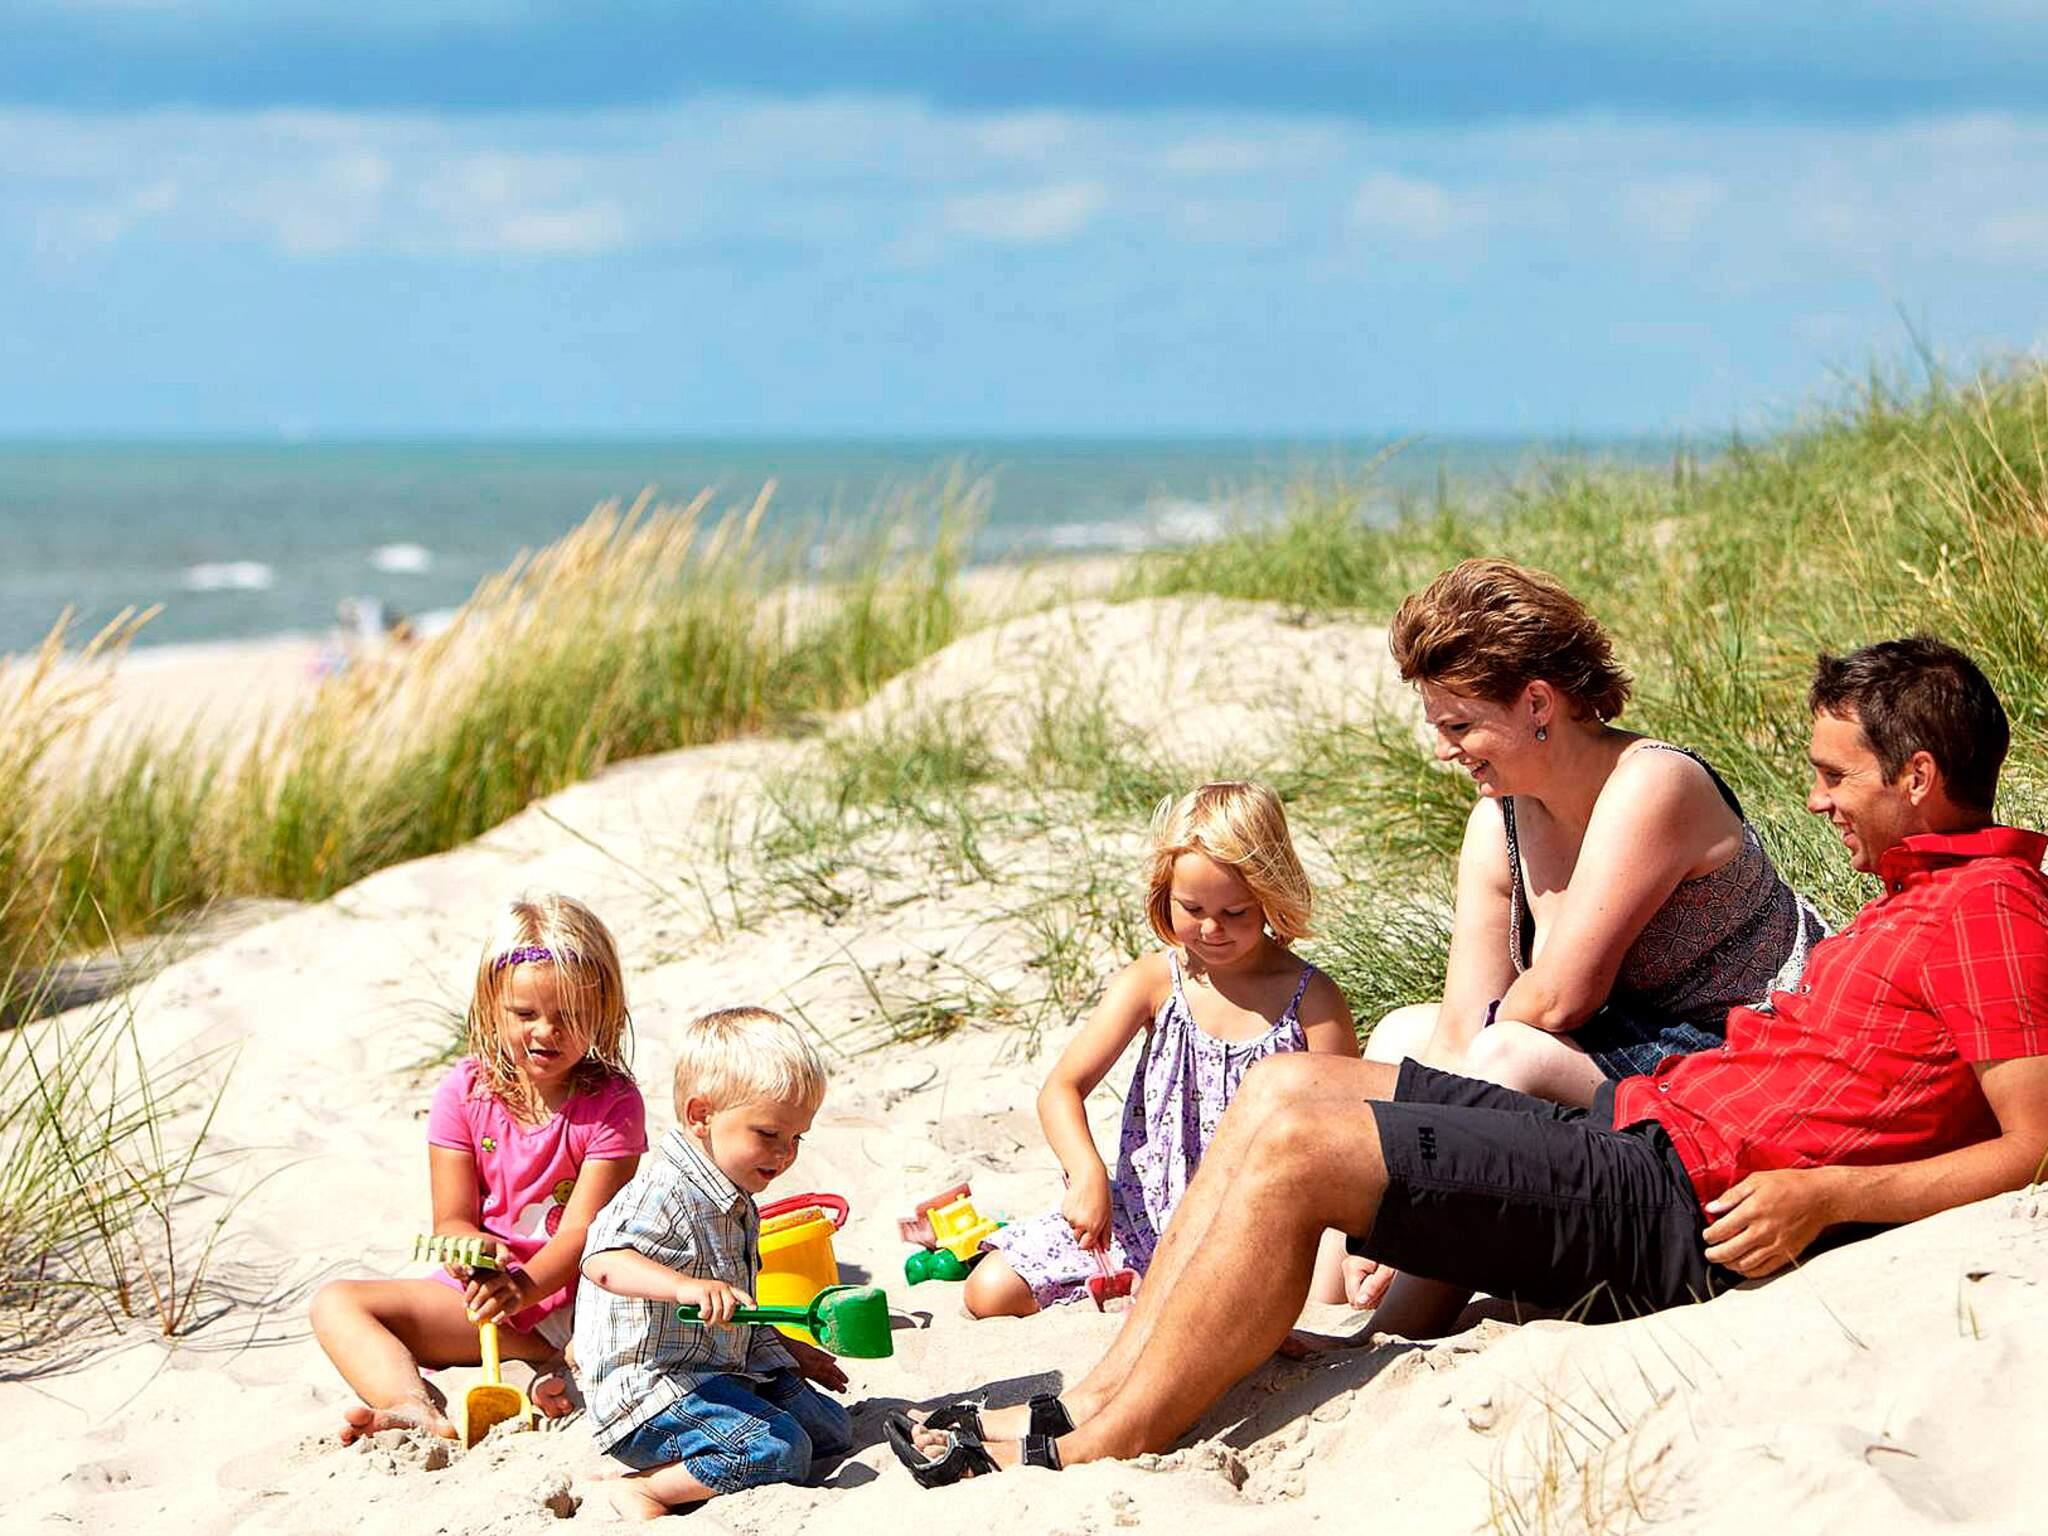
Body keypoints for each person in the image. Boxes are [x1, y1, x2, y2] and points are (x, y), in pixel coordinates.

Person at [888, 636, 2048, 1483]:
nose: (1813, 799)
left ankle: (1102, 1440)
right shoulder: (1915, 902)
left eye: (1834, 777)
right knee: (1284, 1086)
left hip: (1678, 1200)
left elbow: (2032, 1145)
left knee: (1299, 1146)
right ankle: (1091, 1395)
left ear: (1914, 777)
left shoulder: (1990, 909)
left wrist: (1824, 1195)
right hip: (1639, 1131)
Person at [1366, 558, 1824, 1109]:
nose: (1444, 751)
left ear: (1537, 703)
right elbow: (1463, 1023)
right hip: (1630, 1040)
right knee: (1401, 1037)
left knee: (1505, 1055)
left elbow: (1560, 1000)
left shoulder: (1653, 782)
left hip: (1753, 1049)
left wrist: (1461, 1075)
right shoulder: (1498, 821)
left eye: (1459, 726)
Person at [961, 782, 1360, 1332]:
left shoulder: (1310, 999)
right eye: (1192, 909)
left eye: (1236, 911)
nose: (1212, 929)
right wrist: (1087, 1174)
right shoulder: (1155, 981)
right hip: (1141, 1217)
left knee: (1324, 1292)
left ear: (1271, 894)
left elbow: (1348, 1130)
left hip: (1256, 1229)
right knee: (989, 1289)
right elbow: (1062, 1089)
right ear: (1164, 896)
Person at [311, 894, 646, 1444]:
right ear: (493, 1005)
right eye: (525, 1014)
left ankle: (550, 1357)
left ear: (603, 1011)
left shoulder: (613, 1103)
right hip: (489, 1296)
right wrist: (470, 1252)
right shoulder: (466, 1091)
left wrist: (523, 1289)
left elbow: (583, 1233)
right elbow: (452, 1218)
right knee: (336, 1303)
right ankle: (408, 1403)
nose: (546, 1032)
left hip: (575, 1295)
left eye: (570, 1016)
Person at [573, 1007, 854, 1521]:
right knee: (779, 1450)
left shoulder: (735, 1196)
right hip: (652, 1392)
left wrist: (790, 1350)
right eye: (768, 1134)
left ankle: (699, 1458)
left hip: (721, 1369)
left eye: (796, 1138)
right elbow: (604, 1262)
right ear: (701, 1115)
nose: (785, 1154)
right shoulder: (662, 1191)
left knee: (832, 1431)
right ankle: (646, 1488)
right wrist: (683, 1286)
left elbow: (736, 1308)